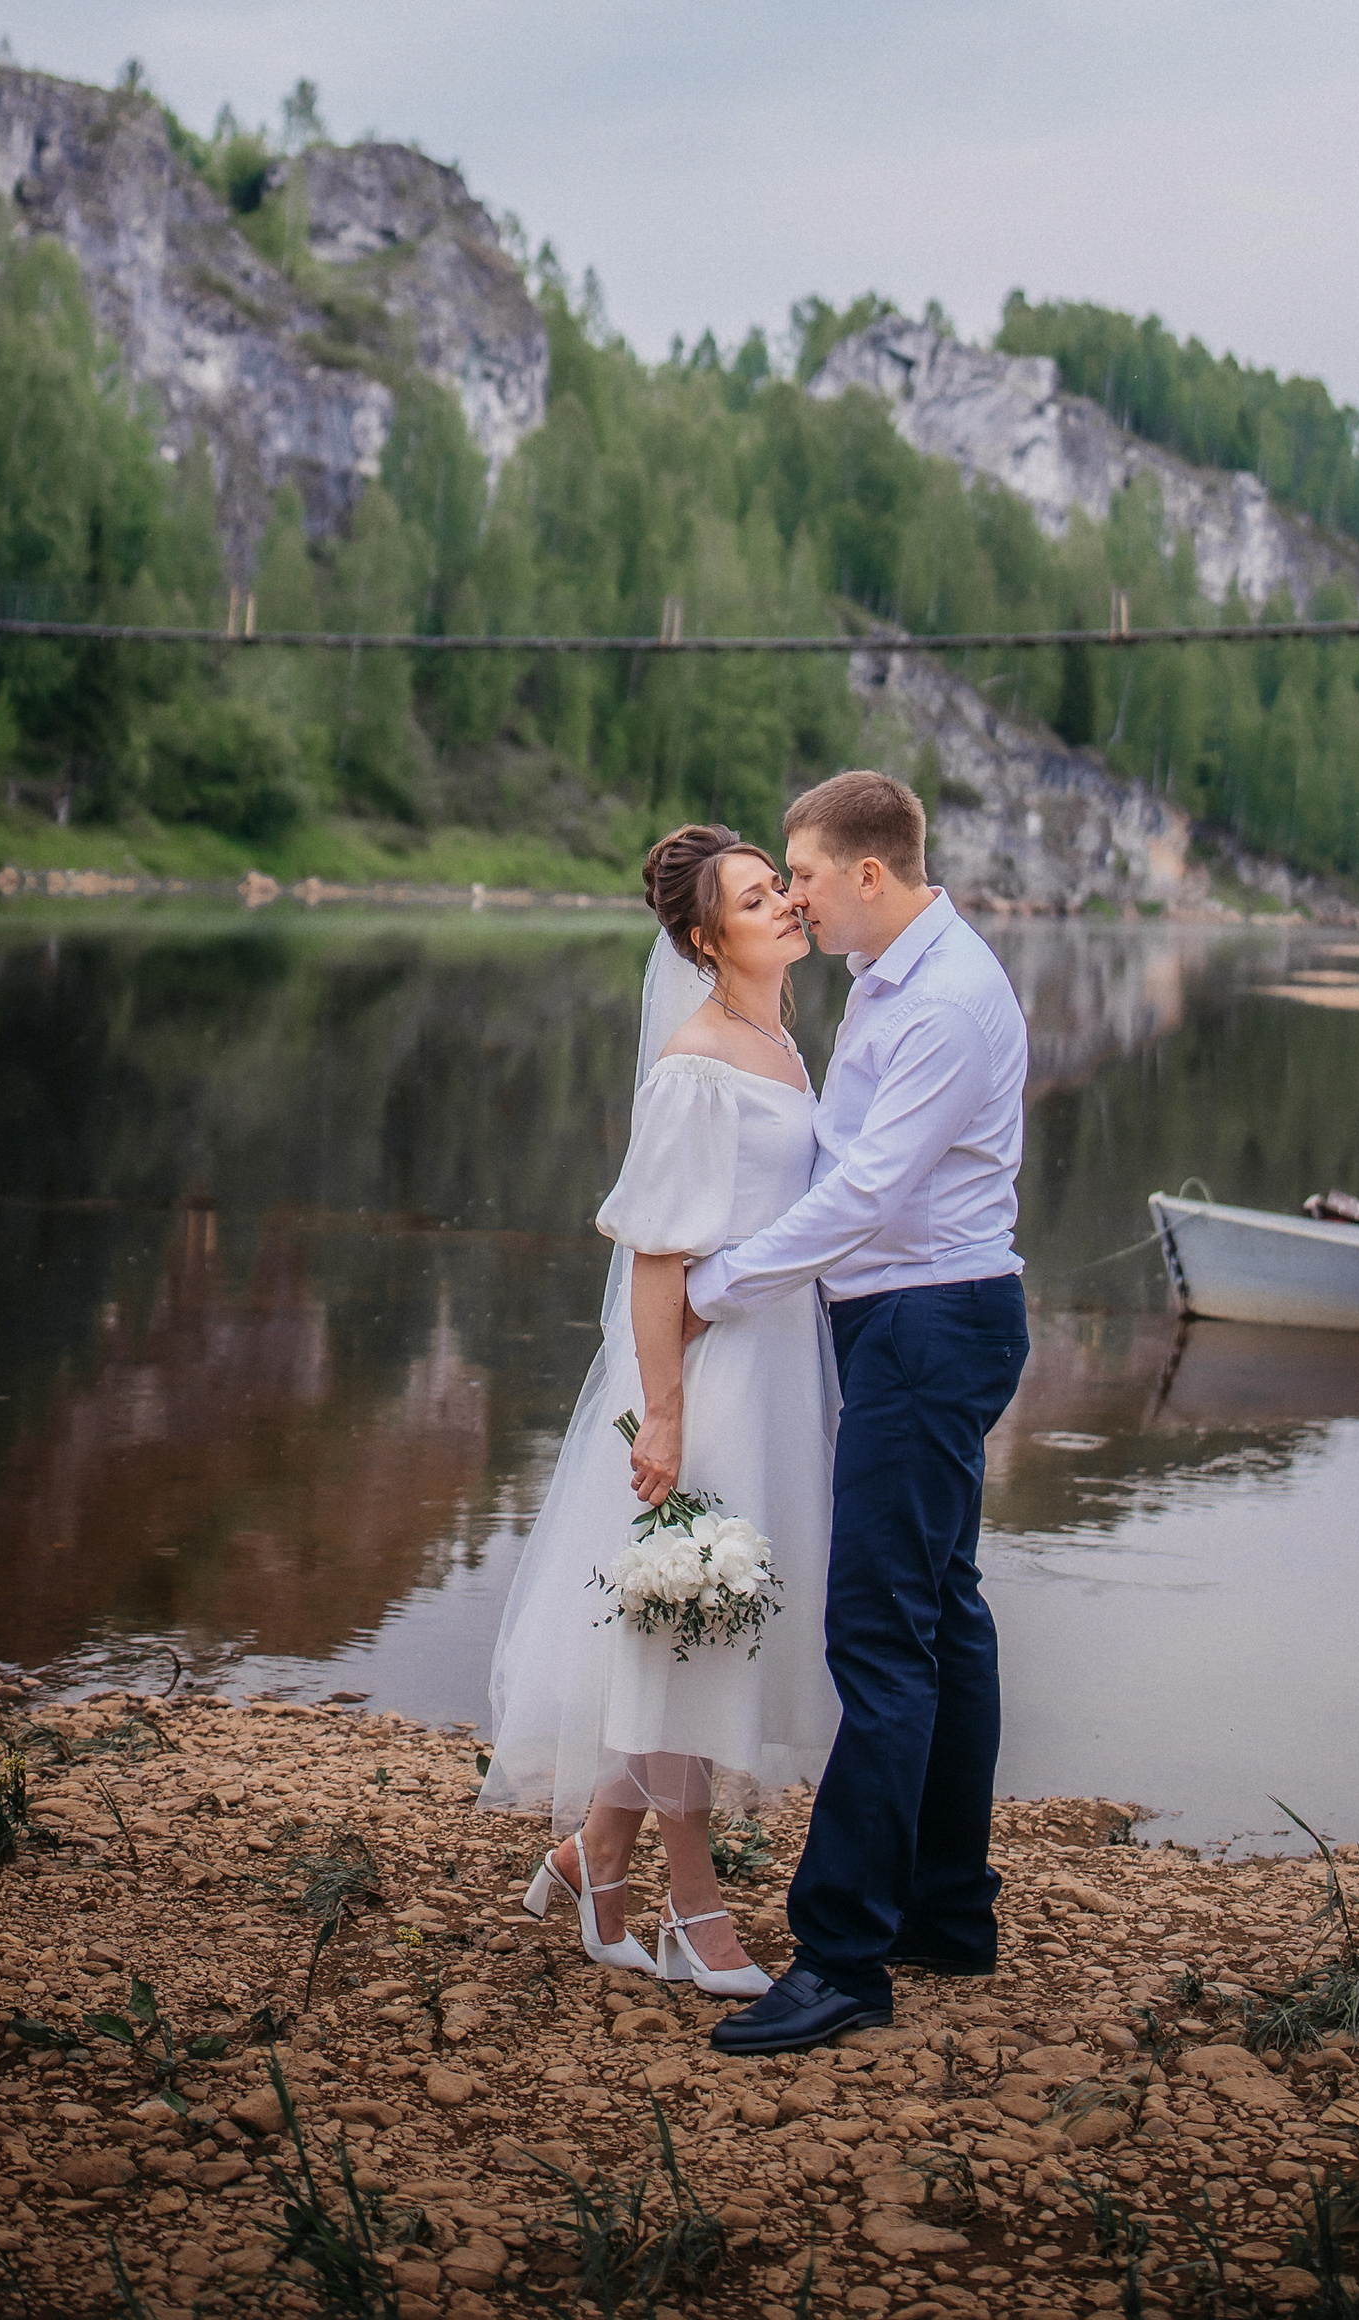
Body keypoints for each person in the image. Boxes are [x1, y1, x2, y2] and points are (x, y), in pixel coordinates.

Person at [685, 767, 1030, 2053]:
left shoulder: (943, 1000)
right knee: (942, 1615)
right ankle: (944, 1907)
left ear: (871, 875)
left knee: (880, 1635)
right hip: (917, 1320)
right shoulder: (891, 978)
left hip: (931, 1325)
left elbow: (870, 1194)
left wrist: (719, 1285)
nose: (799, 899)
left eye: (810, 879)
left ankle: (842, 1958)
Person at [476, 825, 839, 1994]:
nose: (784, 903)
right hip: (712, 1384)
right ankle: (693, 1912)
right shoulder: (696, 1064)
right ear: (703, 938)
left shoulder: (781, 1039)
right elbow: (653, 1262)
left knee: (702, 1627)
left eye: (780, 886)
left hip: (779, 1372)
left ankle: (594, 1858)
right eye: (753, 897)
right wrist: (668, 1421)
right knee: (690, 1634)